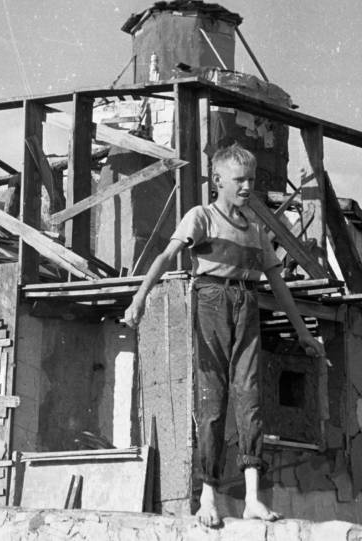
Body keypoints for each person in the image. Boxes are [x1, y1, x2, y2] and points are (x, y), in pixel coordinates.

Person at [123, 144, 324, 527]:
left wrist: (302, 333)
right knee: (212, 401)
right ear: (217, 181)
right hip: (211, 298)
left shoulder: (257, 232)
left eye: (251, 179)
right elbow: (167, 257)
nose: (247, 186)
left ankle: (251, 498)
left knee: (249, 398)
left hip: (247, 302)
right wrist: (139, 299)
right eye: (239, 179)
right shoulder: (202, 217)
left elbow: (278, 286)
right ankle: (208, 496)